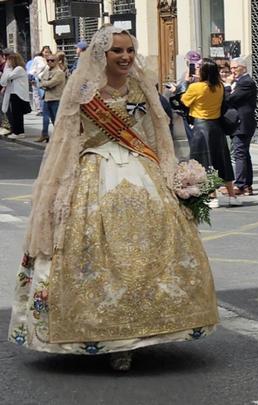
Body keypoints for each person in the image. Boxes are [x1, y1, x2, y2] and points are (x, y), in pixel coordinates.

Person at [9, 26, 218, 371]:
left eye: (129, 51)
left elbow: (157, 132)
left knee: (158, 246)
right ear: (101, 54)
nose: (124, 57)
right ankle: (99, 334)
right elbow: (65, 138)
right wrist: (60, 183)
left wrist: (172, 173)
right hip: (93, 169)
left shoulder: (141, 85)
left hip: (140, 167)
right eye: (117, 51)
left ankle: (142, 332)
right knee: (89, 250)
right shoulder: (81, 87)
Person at [181, 58, 239, 207]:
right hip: (216, 126)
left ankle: (213, 196)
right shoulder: (219, 86)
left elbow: (184, 101)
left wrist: (184, 85)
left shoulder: (196, 87)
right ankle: (232, 195)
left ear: (204, 72)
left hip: (201, 126)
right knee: (223, 161)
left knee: (206, 162)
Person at [226, 57, 258, 196]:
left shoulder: (246, 82)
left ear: (243, 68)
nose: (233, 71)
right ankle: (247, 185)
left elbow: (230, 99)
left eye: (235, 68)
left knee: (239, 153)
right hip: (240, 123)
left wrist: (227, 86)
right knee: (244, 154)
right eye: (231, 68)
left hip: (242, 124)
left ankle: (239, 184)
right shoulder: (239, 82)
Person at [36, 52, 67, 143]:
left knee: (55, 119)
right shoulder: (47, 70)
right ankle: (44, 134)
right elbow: (41, 79)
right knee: (45, 118)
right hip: (47, 98)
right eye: (48, 60)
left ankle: (60, 136)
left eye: (52, 60)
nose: (49, 62)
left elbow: (50, 84)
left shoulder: (59, 73)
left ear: (57, 61)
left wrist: (44, 83)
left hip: (56, 98)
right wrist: (44, 83)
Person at [0, 50, 32, 139]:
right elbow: (2, 82)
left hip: (18, 94)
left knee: (17, 115)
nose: (7, 62)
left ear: (14, 60)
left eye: (9, 60)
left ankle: (19, 132)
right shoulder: (13, 70)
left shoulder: (19, 69)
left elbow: (7, 77)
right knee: (14, 114)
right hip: (13, 94)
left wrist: (7, 69)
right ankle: (16, 131)